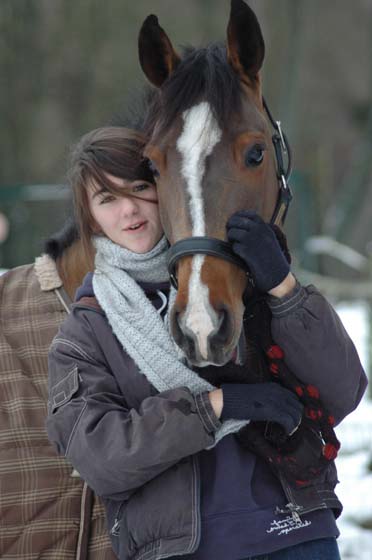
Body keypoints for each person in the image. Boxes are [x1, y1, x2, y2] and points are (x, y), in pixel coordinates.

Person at [46, 125, 367, 560]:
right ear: (91, 217)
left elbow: (343, 389)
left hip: (297, 533)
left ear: (170, 185)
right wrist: (215, 405)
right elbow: (103, 458)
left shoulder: (245, 279)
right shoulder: (85, 332)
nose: (129, 211)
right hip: (183, 549)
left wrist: (283, 289)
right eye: (107, 199)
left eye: (141, 188)